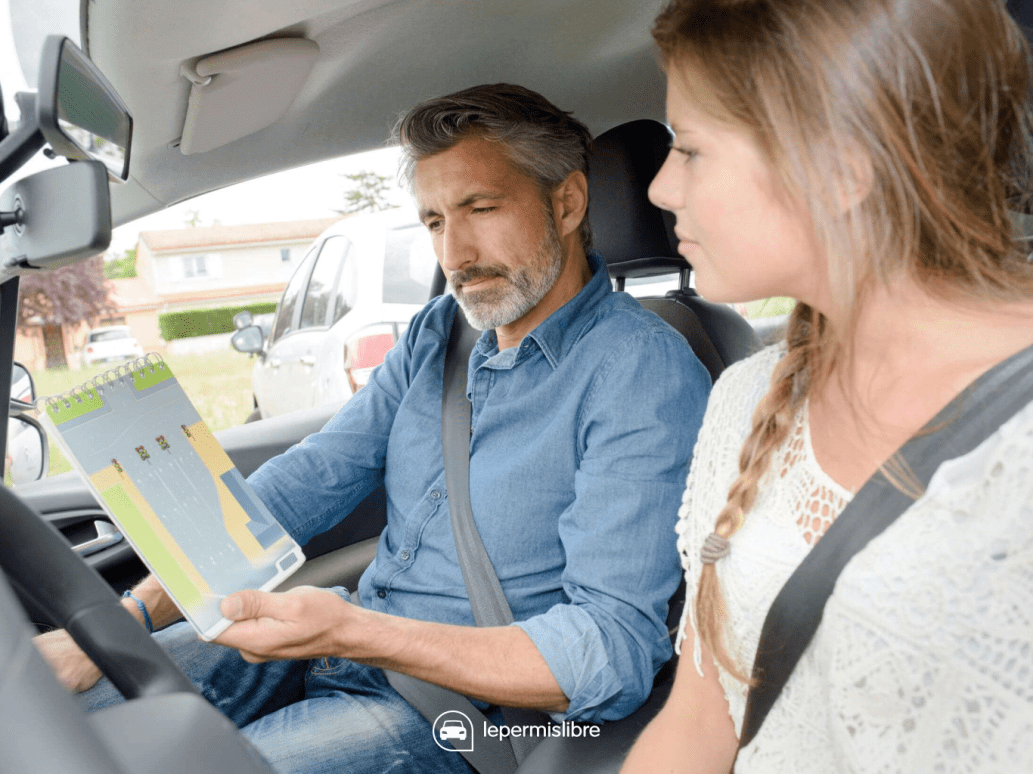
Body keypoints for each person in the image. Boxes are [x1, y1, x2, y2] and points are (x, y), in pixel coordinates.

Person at [36, 84, 711, 773]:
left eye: (480, 209)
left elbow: (611, 649)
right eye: (434, 221)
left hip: (466, 715)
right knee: (47, 716)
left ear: (566, 204)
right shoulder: (440, 334)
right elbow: (314, 476)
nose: (456, 253)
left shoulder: (640, 371)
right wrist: (127, 620)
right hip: (346, 645)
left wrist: (356, 632)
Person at [620, 1, 1033, 773]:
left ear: (840, 171)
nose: (660, 189)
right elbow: (701, 720)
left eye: (692, 149)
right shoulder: (745, 399)